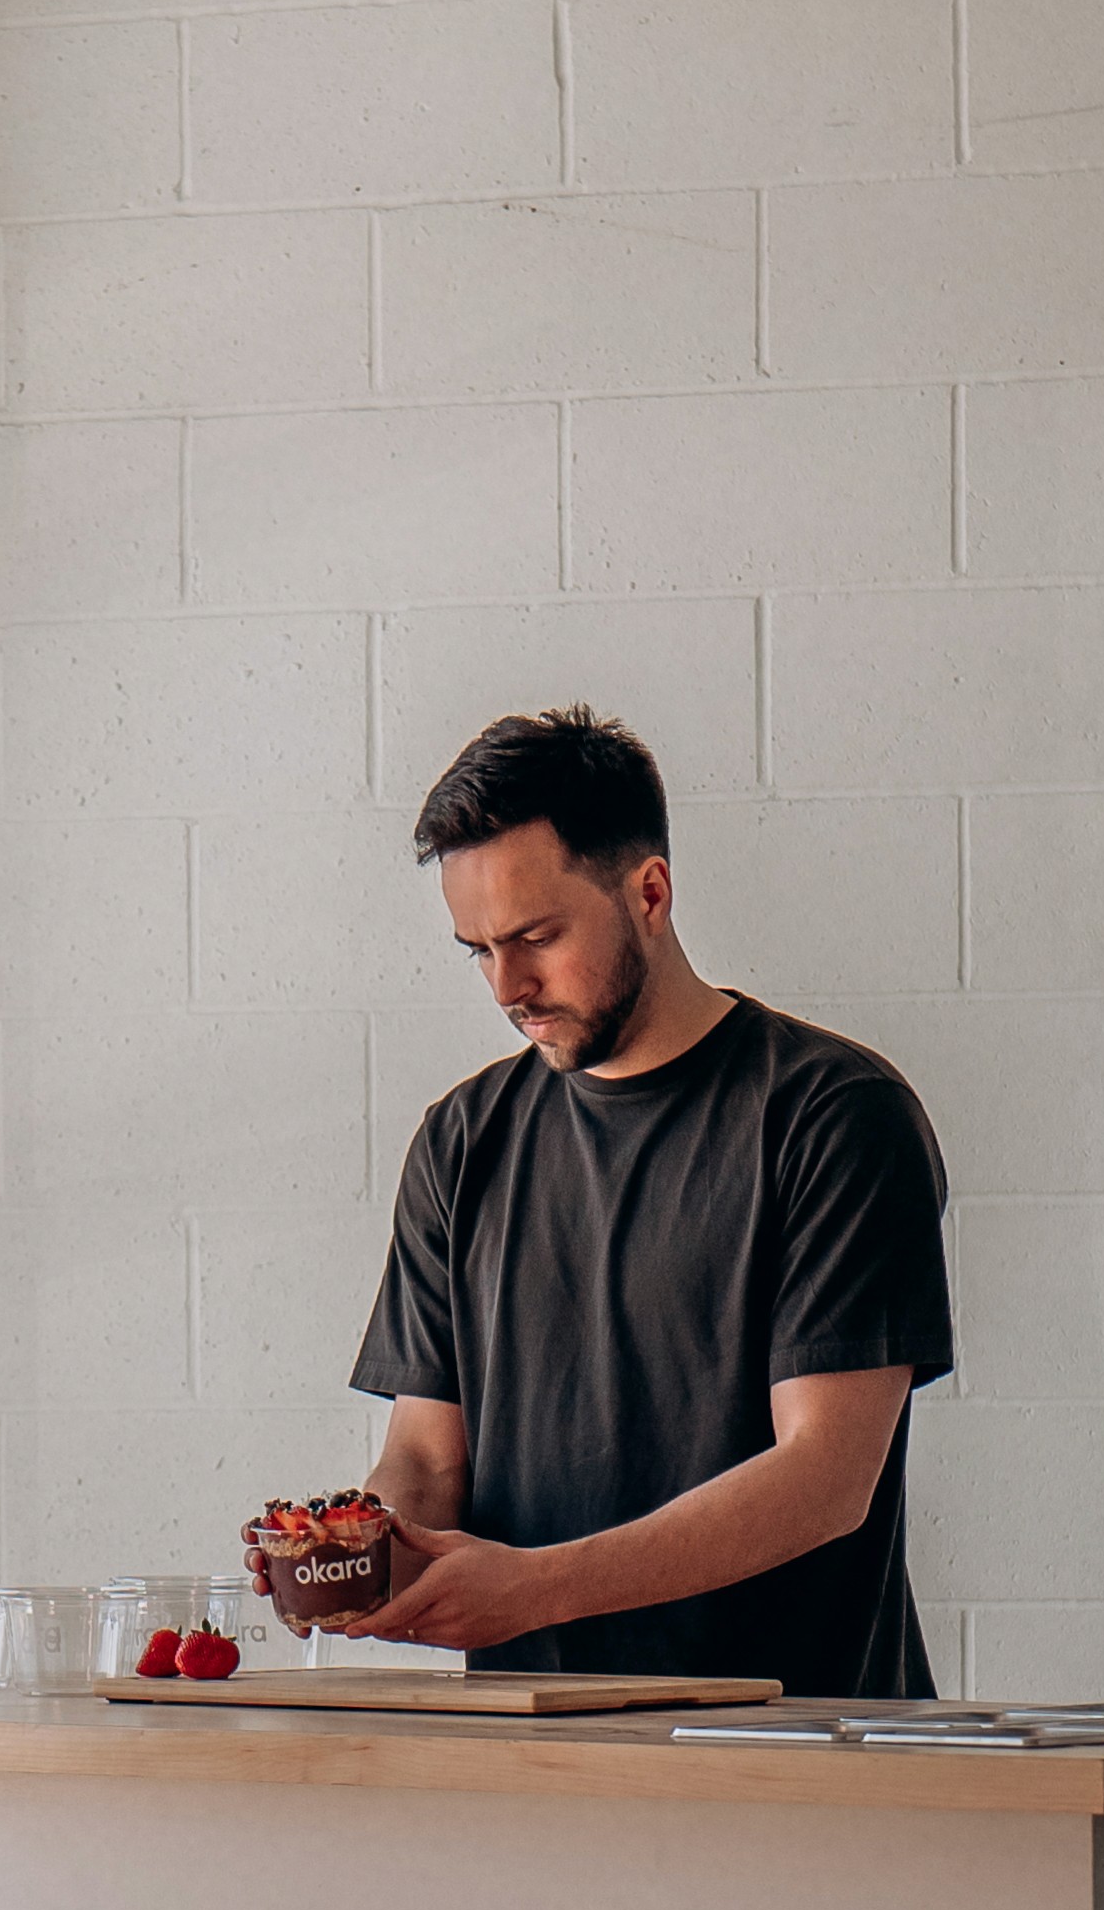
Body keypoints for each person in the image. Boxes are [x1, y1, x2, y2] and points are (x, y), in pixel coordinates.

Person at [347, 708, 954, 1697]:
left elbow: (824, 1480)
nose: (508, 984)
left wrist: (536, 1587)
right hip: (528, 1768)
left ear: (650, 891)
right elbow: (424, 1455)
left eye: (536, 936)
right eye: (477, 949)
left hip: (801, 1763)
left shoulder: (831, 1115)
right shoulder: (461, 1142)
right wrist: (358, 1547)